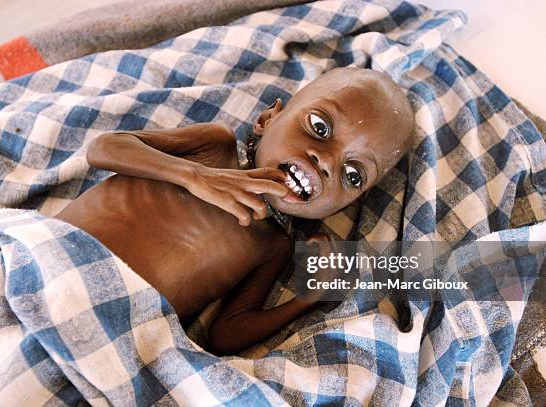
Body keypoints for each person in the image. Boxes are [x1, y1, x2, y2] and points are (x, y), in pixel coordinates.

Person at [55, 67, 415, 355]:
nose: (326, 162)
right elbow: (106, 148)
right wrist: (196, 176)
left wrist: (308, 298)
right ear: (267, 119)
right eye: (319, 127)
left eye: (353, 175)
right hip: (54, 261)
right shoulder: (215, 146)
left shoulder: (274, 244)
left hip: (108, 335)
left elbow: (225, 335)